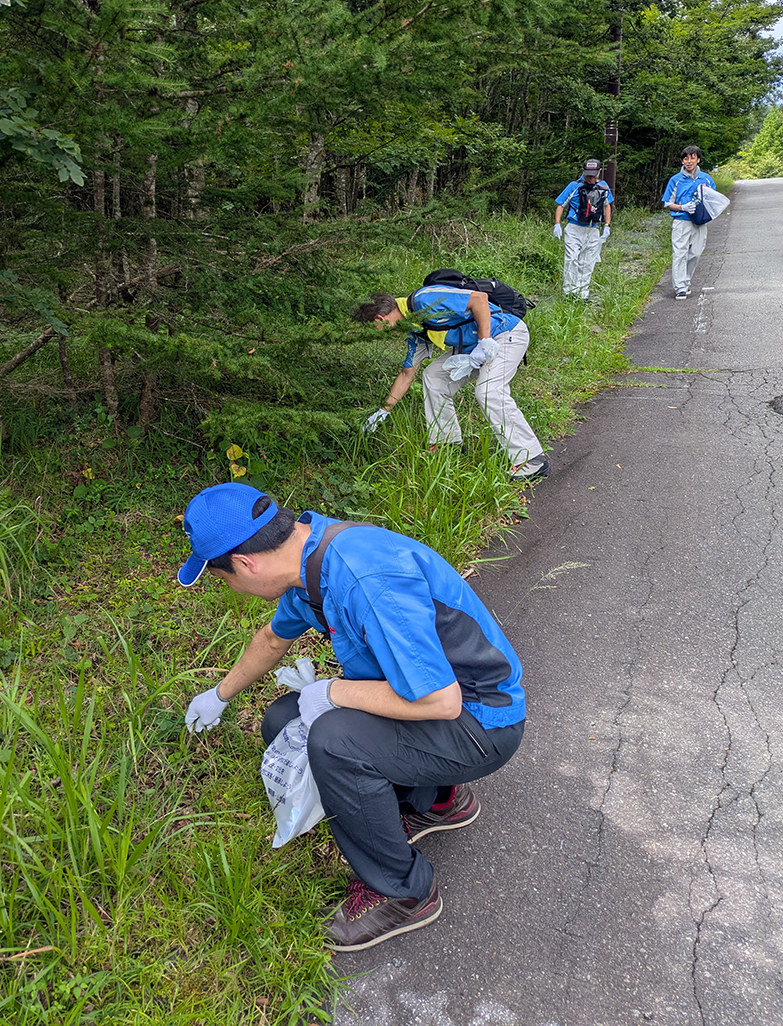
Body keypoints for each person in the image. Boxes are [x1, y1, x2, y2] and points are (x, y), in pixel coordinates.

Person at [179, 482, 526, 952]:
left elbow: (440, 701)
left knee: (332, 740)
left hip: (481, 724)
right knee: (283, 721)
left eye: (223, 579)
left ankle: (403, 893)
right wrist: (218, 695)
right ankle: (437, 799)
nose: (233, 589)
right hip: (444, 713)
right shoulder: (308, 560)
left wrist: (334, 692)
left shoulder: (364, 578)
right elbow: (272, 639)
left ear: (245, 563)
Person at [354, 284, 550, 480]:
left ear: (379, 319)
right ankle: (446, 443)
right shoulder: (414, 329)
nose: (379, 333)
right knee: (433, 376)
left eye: (375, 329)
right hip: (474, 348)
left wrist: (484, 342)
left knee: (488, 391)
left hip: (506, 333)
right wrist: (383, 412)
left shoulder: (424, 300)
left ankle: (531, 459)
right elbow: (407, 374)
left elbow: (479, 299)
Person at [553, 157, 614, 302]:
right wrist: (557, 224)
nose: (591, 177)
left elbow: (606, 206)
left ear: (599, 172)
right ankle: (569, 292)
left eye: (594, 174)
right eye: (588, 174)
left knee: (588, 262)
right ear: (583, 172)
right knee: (572, 259)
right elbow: (561, 204)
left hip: (592, 229)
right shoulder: (574, 186)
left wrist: (607, 225)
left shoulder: (603, 187)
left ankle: (582, 293)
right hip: (574, 228)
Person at [661, 145, 716, 299]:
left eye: (693, 158)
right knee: (679, 253)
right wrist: (682, 207)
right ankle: (680, 288)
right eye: (686, 158)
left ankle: (685, 280)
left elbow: (713, 199)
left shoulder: (706, 179)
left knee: (696, 253)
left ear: (698, 159)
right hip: (681, 221)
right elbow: (667, 202)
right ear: (682, 161)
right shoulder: (676, 180)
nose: (689, 161)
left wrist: (706, 193)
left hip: (699, 221)